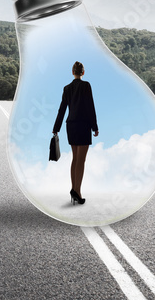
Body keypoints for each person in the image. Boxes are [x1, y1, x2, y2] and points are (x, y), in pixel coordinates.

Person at [53, 61, 99, 205]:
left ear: (72, 72)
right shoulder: (86, 86)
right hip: (83, 124)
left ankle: (74, 189)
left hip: (71, 125)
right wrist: (94, 127)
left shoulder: (67, 88)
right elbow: (90, 107)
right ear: (83, 73)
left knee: (75, 159)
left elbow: (62, 110)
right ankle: (77, 192)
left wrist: (56, 128)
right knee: (81, 160)